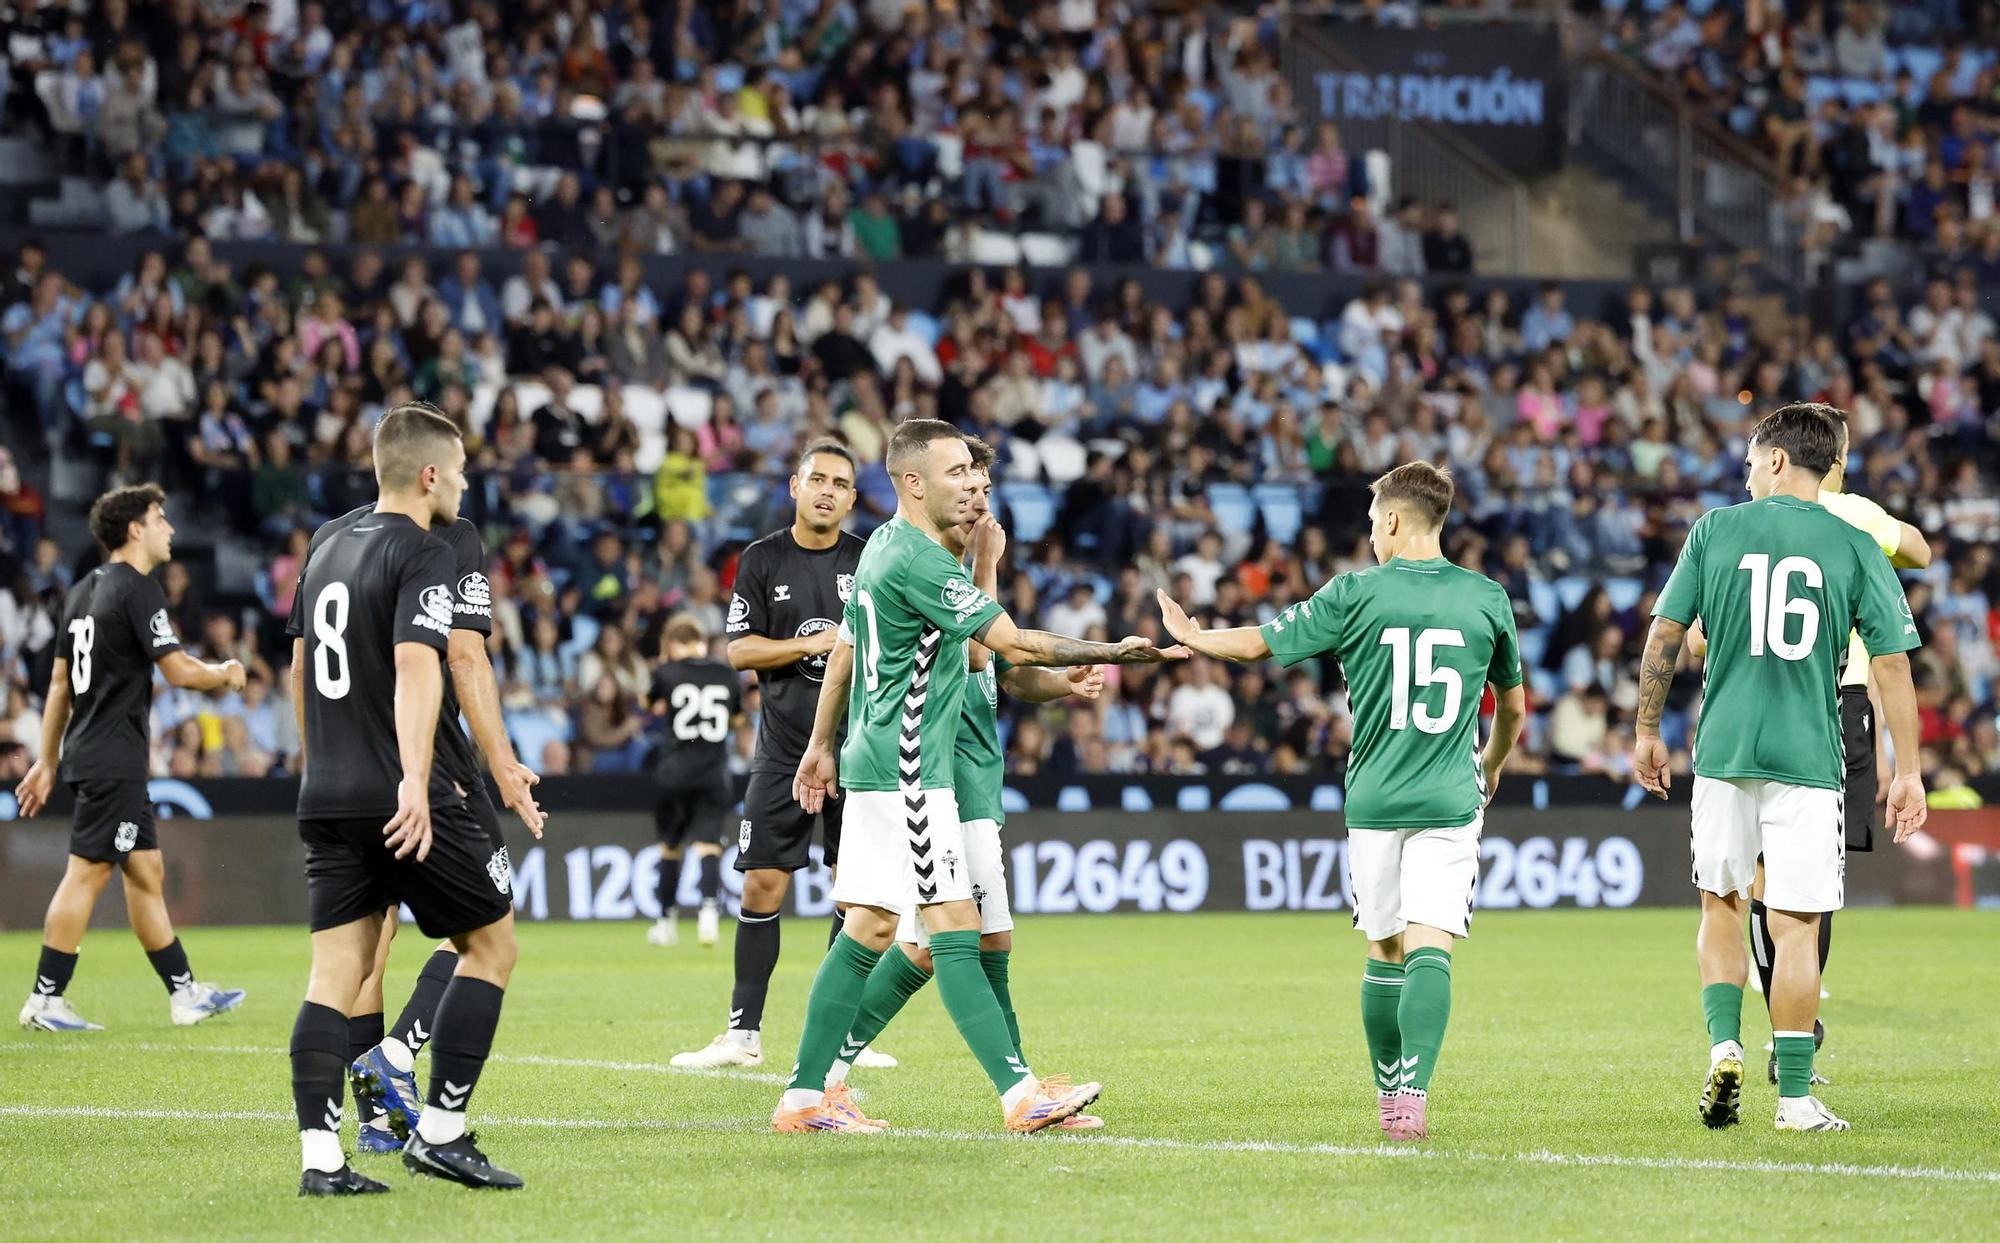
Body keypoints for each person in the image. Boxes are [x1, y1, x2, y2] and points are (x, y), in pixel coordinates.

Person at [783, 419, 1183, 1134]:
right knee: (949, 925)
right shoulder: (922, 564)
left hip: (882, 762)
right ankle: (1018, 1094)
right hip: (909, 769)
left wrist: (820, 742)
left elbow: (852, 650)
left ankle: (807, 1095)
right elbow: (1009, 641)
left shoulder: (882, 543)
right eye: (957, 473)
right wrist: (1119, 650)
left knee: (872, 925)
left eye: (976, 473)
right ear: (912, 482)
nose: (972, 484)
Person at [1155, 461, 1526, 1142]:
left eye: (1370, 520)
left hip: (1375, 799)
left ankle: (1390, 1095)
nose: (1370, 533)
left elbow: (1259, 644)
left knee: (1385, 950)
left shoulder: (1355, 592)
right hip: (1451, 796)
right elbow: (1512, 707)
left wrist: (1195, 636)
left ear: (1390, 520)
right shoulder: (1487, 598)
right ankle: (1414, 1094)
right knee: (1430, 946)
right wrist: (1493, 763)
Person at [1632, 404, 1926, 1135]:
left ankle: (1724, 1044)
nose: (1745, 470)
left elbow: (1667, 632)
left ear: (1776, 461)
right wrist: (1908, 770)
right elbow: (1890, 662)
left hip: (1725, 752)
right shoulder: (1853, 541)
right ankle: (1794, 1099)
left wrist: (1644, 728)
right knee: (1796, 926)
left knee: (1722, 905)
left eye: (1749, 458)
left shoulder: (1715, 530)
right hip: (1809, 758)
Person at [285, 405, 522, 1194]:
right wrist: (416, 781)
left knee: (334, 972)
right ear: (428, 474)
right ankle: (443, 1132)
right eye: (456, 471)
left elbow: (297, 667)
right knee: (492, 943)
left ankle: (323, 1161)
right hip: (397, 791)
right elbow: (426, 666)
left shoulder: (322, 547)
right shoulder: (424, 547)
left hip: (326, 788)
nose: (462, 484)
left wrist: (317, 764)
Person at [670, 442, 878, 1071]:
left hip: (859, 749)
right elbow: (738, 651)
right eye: (817, 479)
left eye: (841, 483)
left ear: (851, 497)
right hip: (783, 749)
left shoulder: (869, 557)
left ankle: (842, 1036)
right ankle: (742, 1034)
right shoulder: (762, 558)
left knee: (856, 892)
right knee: (762, 883)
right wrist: (809, 642)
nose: (827, 491)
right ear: (794, 485)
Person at [14, 485, 247, 1033]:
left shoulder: (79, 593)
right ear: (135, 529)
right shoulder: (138, 590)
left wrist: (47, 761)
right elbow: (178, 671)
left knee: (146, 871)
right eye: (160, 518)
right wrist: (225, 673)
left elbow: (57, 686)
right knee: (87, 872)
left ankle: (184, 992)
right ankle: (46, 997)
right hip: (113, 756)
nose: (169, 528)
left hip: (95, 752)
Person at [643, 612, 742, 948]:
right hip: (714, 771)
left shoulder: (667, 672)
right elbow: (738, 719)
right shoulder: (727, 674)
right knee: (708, 845)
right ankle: (709, 916)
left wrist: (660, 667)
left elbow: (649, 705)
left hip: (674, 771)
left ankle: (665, 922)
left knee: (670, 847)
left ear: (671, 643)